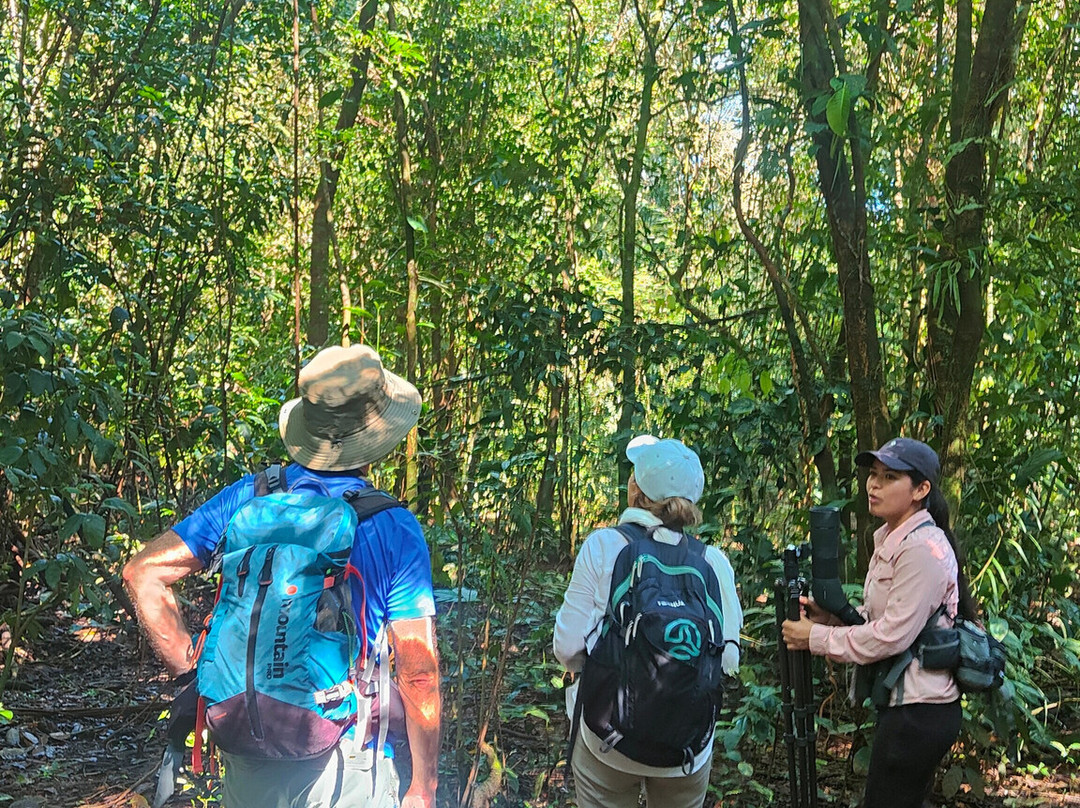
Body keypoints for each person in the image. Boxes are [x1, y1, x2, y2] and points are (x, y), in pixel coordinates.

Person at [124, 345, 441, 808]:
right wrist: (423, 788)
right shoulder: (392, 527)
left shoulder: (246, 499)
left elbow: (143, 572)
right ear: (375, 436)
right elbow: (418, 674)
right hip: (350, 759)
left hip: (249, 746)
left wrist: (203, 677)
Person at [782, 437, 978, 808]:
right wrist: (834, 621)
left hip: (920, 713)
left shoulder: (922, 549)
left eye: (889, 477)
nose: (874, 485)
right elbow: (885, 619)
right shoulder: (894, 538)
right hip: (908, 709)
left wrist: (817, 638)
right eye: (873, 475)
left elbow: (891, 637)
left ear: (921, 490)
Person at [553, 435, 742, 808]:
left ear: (636, 489)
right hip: (688, 748)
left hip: (607, 736)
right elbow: (728, 659)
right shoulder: (713, 562)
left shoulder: (604, 546)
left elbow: (567, 648)